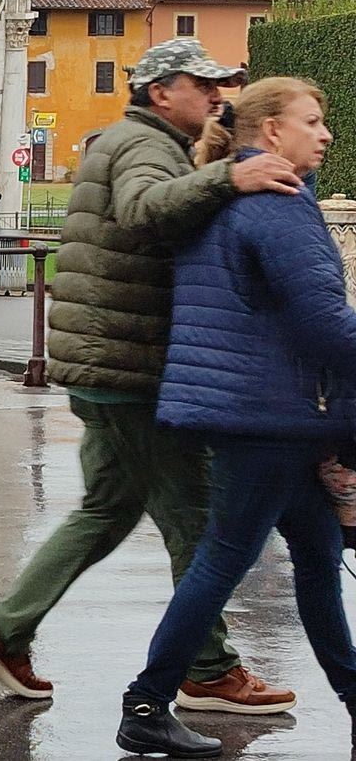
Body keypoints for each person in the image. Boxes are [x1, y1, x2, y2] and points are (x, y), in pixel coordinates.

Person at [0, 38, 302, 714]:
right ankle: (208, 668)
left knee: (107, 509)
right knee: (197, 522)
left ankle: (6, 631)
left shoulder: (127, 140)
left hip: (107, 363)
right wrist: (231, 177)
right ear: (160, 90)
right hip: (130, 368)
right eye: (202, 86)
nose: (215, 98)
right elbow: (148, 208)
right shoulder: (143, 146)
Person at [115, 78, 356, 757]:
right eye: (313, 120)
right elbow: (326, 327)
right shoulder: (280, 206)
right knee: (224, 557)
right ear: (271, 133)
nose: (326, 133)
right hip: (269, 414)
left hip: (247, 408)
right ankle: (145, 700)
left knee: (316, 552)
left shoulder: (227, 199)